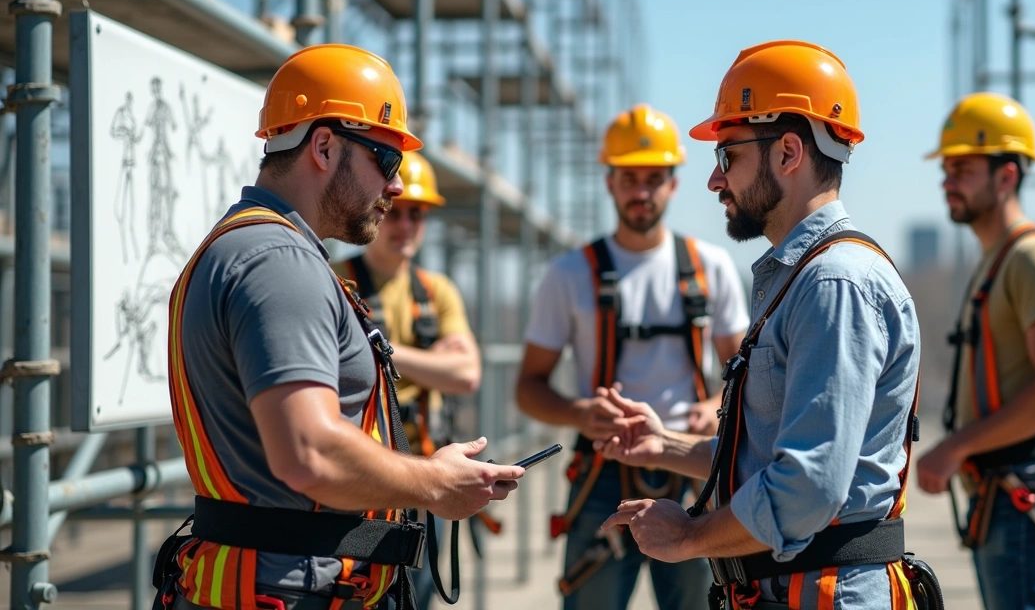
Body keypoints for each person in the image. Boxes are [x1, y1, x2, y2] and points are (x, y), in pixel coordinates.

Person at [153, 43, 523, 610]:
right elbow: (311, 452)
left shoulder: (244, 248)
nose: (396, 188)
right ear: (324, 146)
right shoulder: (279, 261)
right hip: (289, 593)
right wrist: (436, 483)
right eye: (387, 159)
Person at [596, 40, 934, 610]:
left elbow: (807, 488)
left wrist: (687, 537)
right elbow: (774, 456)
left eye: (728, 155)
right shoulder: (800, 277)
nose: (714, 180)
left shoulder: (834, 286)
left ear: (789, 152)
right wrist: (667, 445)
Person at [515, 103, 751, 610]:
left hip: (694, 467)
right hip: (602, 474)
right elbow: (528, 386)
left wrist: (714, 406)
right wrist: (580, 413)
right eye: (628, 179)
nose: (640, 192)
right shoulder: (569, 275)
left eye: (652, 179)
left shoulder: (711, 267)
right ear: (609, 182)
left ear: (673, 183)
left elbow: (741, 378)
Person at [915, 91, 1035, 610]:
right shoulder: (998, 259)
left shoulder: (1033, 259)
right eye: (947, 169)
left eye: (964, 169)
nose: (947, 181)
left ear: (1007, 176)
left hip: (1026, 494)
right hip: (1006, 493)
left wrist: (955, 446)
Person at [330, 149, 485, 610]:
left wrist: (384, 351)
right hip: (361, 469)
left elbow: (468, 373)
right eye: (397, 211)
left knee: (412, 596)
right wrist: (428, 360)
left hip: (425, 468)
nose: (405, 225)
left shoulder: (436, 292)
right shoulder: (337, 279)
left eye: (418, 214)